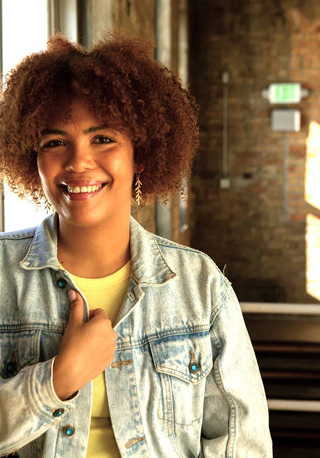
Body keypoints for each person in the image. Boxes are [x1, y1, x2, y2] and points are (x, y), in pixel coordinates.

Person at [0, 34, 272, 458]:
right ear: (31, 158)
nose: (78, 161)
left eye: (102, 138)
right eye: (54, 142)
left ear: (140, 155)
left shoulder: (201, 288)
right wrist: (57, 380)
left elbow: (243, 446)